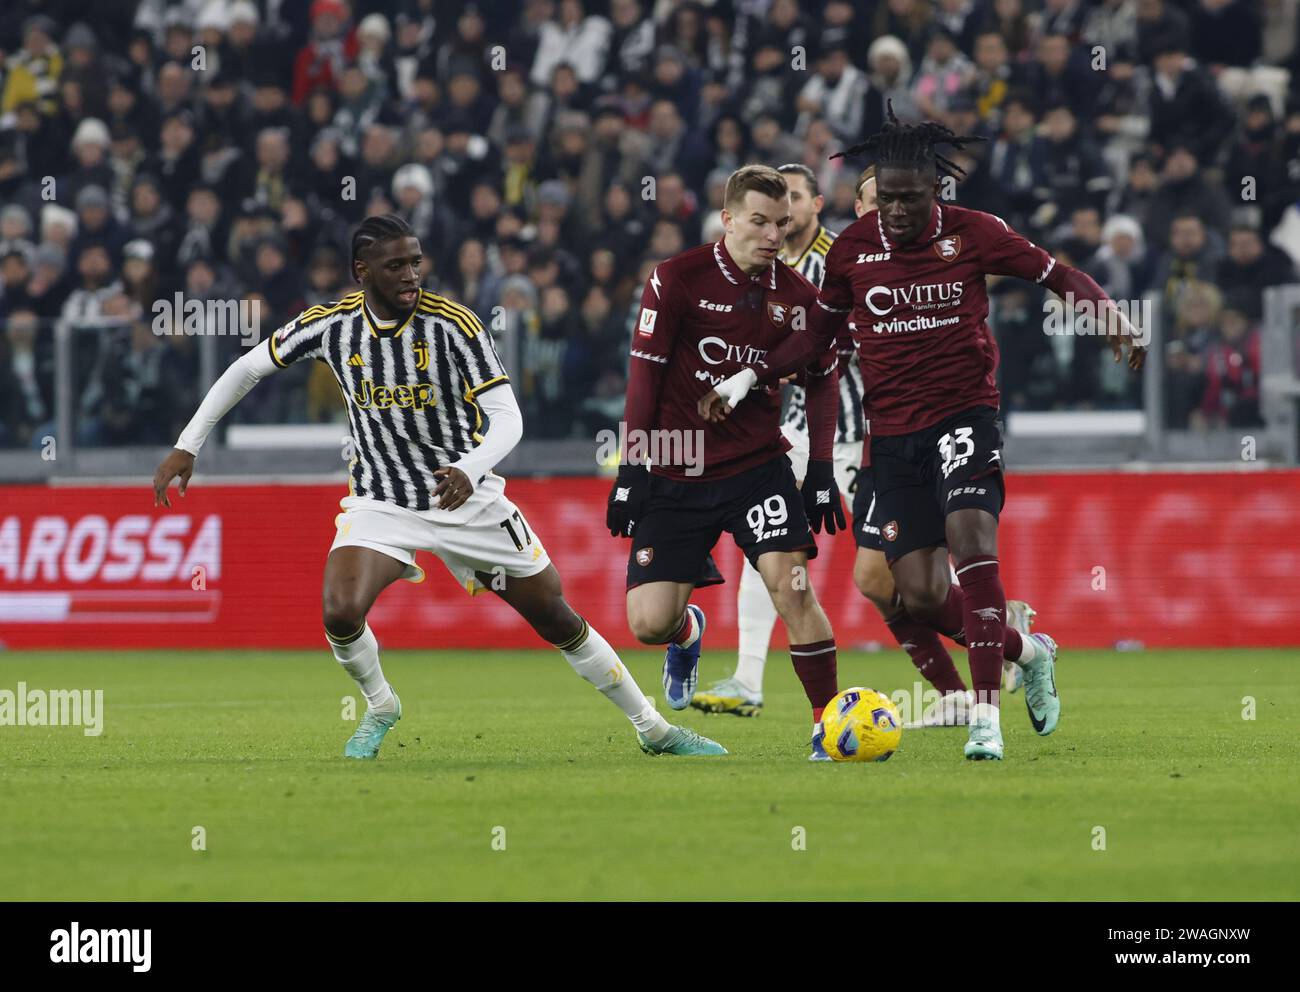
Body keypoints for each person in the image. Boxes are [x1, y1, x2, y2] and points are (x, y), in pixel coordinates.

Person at [153, 214, 725, 760]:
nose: (410, 276)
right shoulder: (331, 325)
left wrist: (470, 468)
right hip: (383, 500)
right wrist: (188, 443)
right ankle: (381, 706)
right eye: (396, 266)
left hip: (467, 497)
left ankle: (652, 728)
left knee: (554, 615)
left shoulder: (453, 325)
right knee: (339, 609)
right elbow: (247, 368)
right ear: (362, 271)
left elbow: (509, 418)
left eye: (416, 263)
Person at [700, 110, 1146, 760]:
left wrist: (1108, 314)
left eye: (910, 199)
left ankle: (985, 718)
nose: (898, 212)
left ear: (936, 193)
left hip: (965, 418)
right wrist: (746, 379)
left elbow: (1056, 274)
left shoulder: (975, 234)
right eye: (888, 198)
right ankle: (1030, 652)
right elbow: (813, 341)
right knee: (915, 592)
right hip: (893, 441)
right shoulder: (854, 250)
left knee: (971, 540)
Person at [693, 163, 1030, 727]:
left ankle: (1003, 638)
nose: (786, 212)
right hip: (802, 434)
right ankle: (749, 678)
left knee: (884, 577)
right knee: (772, 543)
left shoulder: (843, 257)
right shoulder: (779, 269)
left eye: (795, 197)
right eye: (778, 203)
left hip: (867, 434)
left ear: (816, 204)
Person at [607, 165, 847, 761]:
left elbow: (822, 376)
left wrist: (819, 471)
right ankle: (687, 633)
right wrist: (631, 470)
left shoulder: (796, 297)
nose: (772, 235)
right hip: (675, 467)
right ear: (729, 219)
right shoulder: (676, 279)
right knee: (648, 623)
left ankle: (827, 725)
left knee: (791, 589)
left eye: (782, 224)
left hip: (756, 466)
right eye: (760, 222)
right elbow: (645, 377)